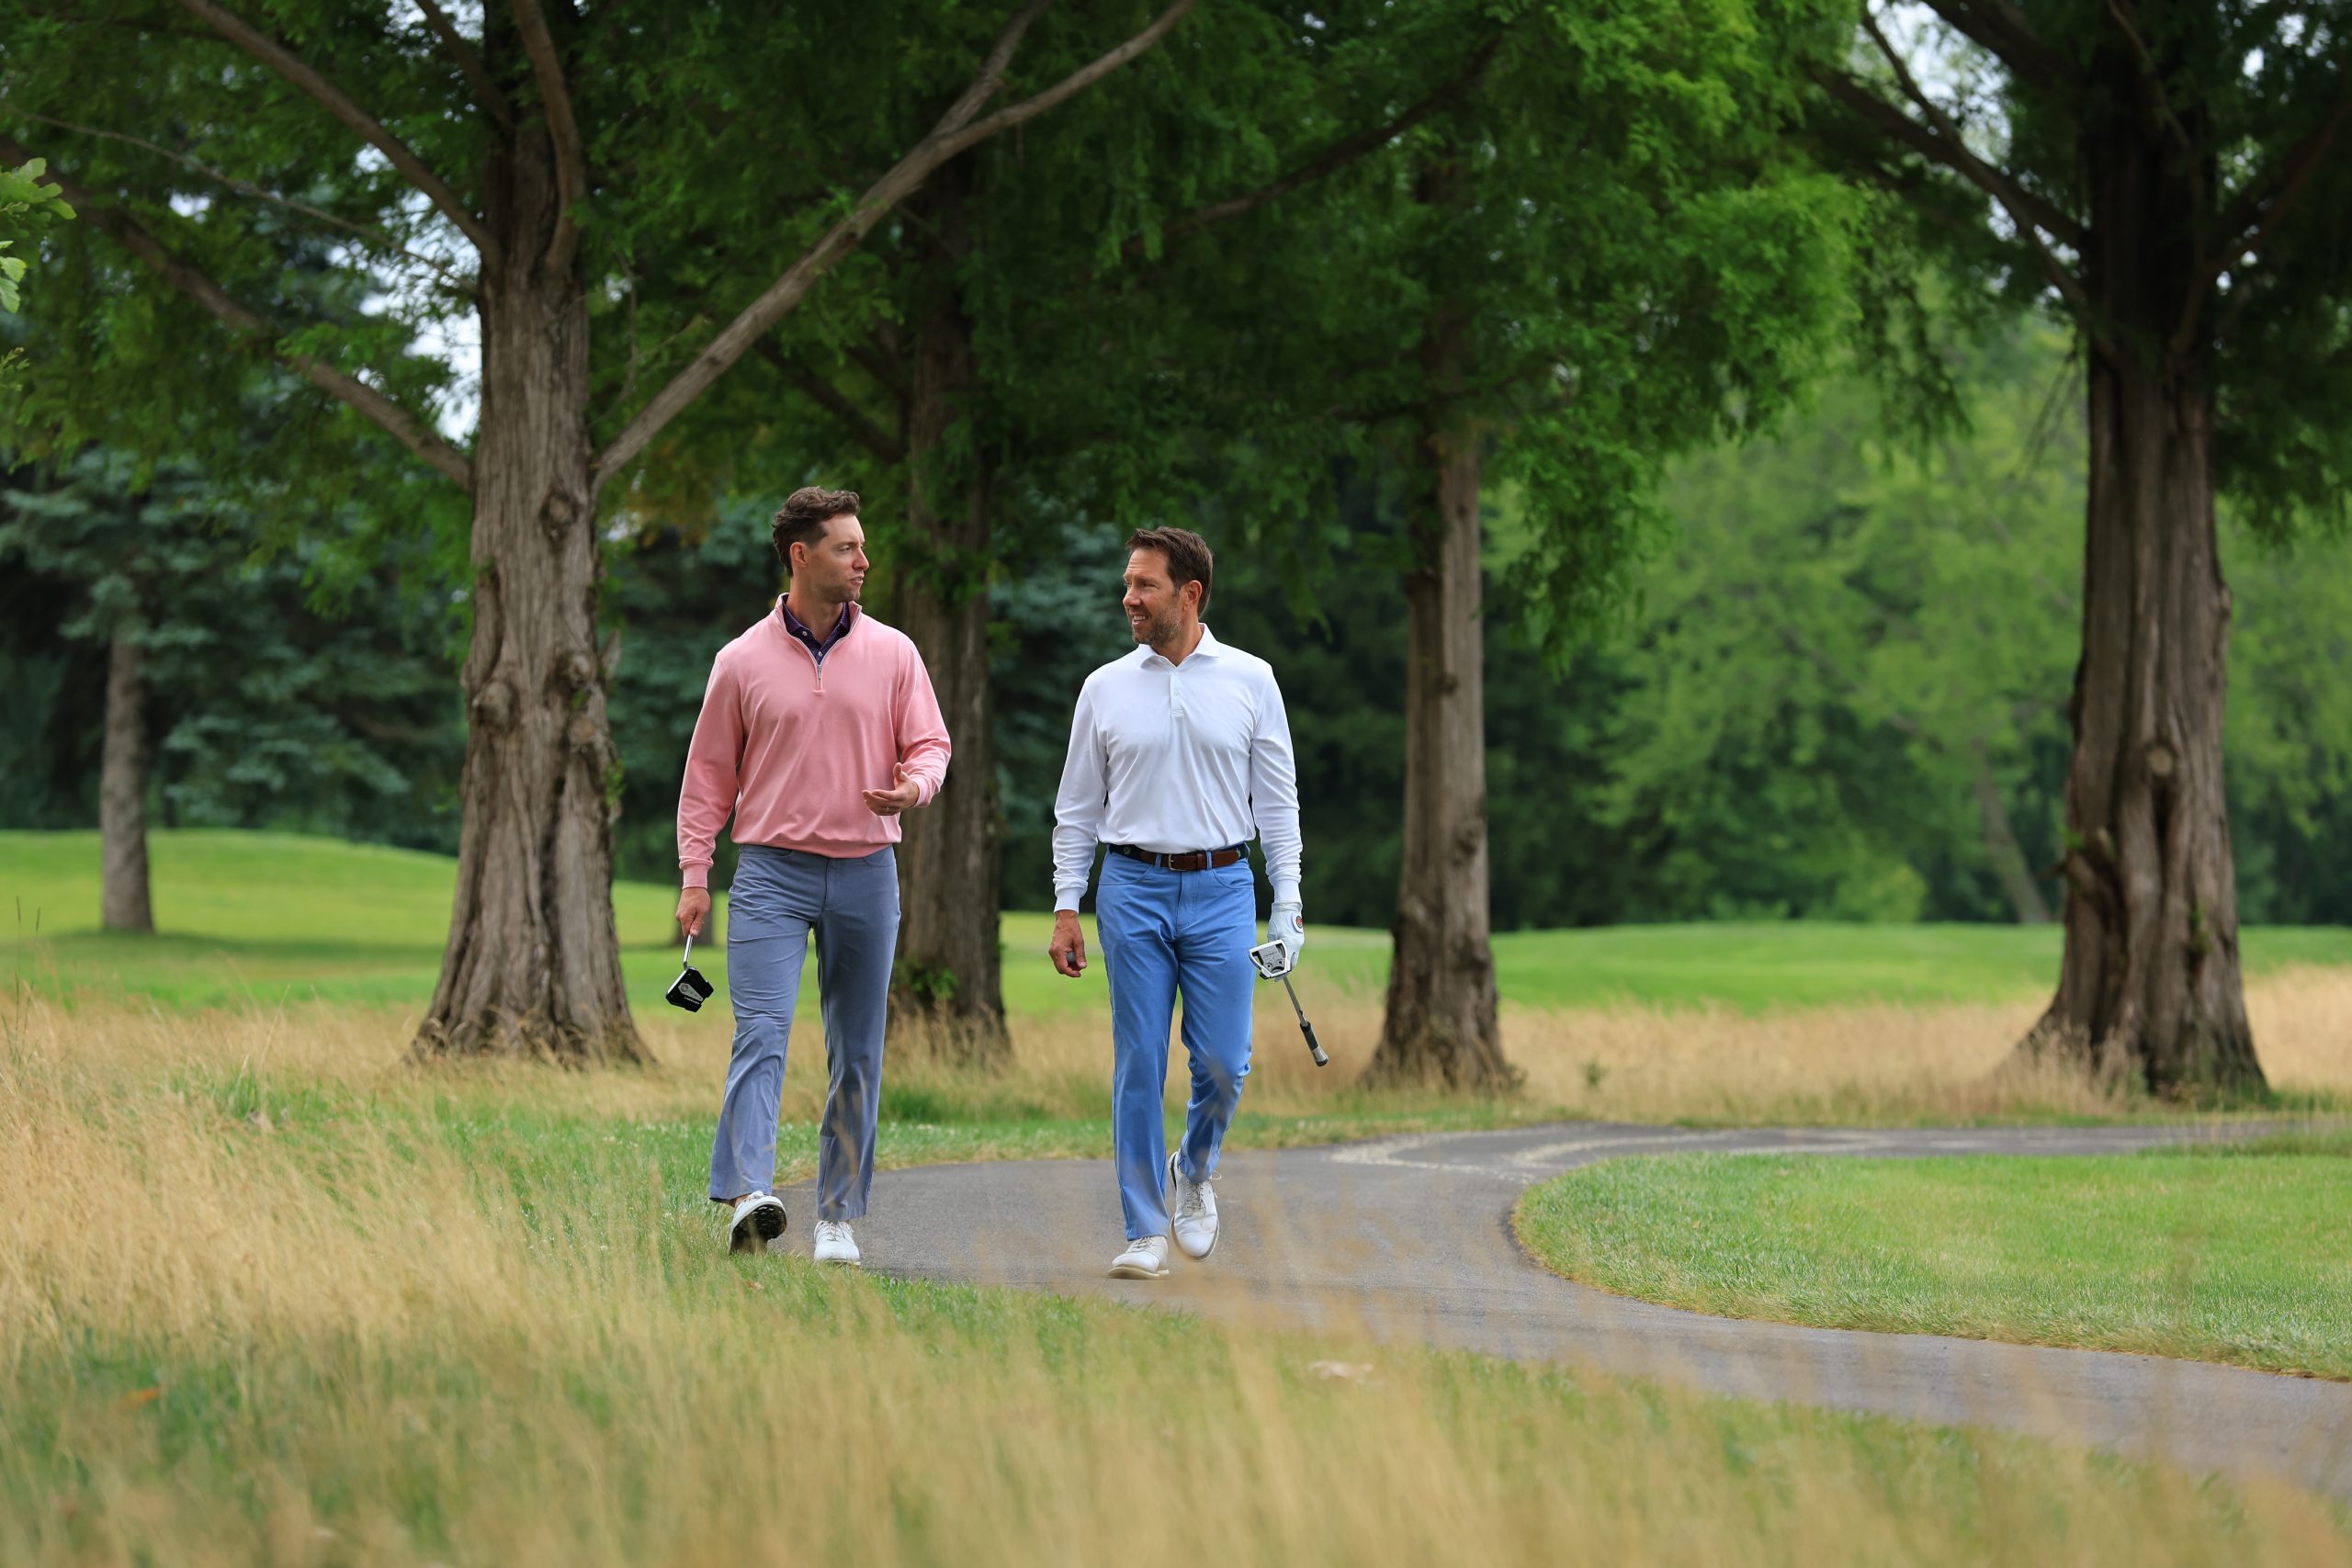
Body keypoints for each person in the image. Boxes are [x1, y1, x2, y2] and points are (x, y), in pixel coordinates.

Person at [677, 486, 951, 1265]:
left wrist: (914, 787)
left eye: (862, 547)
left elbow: (931, 744)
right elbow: (707, 778)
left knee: (857, 1047)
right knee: (759, 1033)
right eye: (846, 548)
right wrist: (697, 874)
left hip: (868, 870)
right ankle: (748, 1197)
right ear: (801, 556)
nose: (864, 561)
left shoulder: (894, 652)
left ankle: (837, 1214)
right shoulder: (740, 660)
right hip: (768, 873)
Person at [1047, 526, 1304, 1280]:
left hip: (1224, 886)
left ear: (1190, 594)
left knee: (1225, 1062)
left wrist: (1286, 903)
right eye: (1128, 584)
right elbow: (1076, 808)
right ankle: (1143, 1228)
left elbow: (1279, 806)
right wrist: (1069, 903)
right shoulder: (1104, 687)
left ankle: (1192, 1167)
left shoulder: (1252, 680)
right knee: (1139, 1061)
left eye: (1144, 585)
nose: (1128, 597)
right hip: (1131, 886)